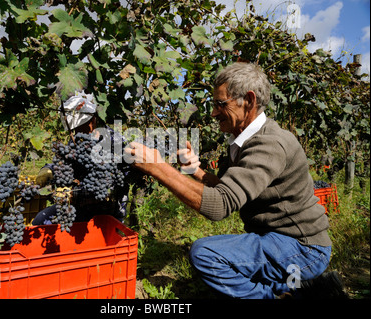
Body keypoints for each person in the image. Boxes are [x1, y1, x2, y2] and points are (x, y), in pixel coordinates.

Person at [124, 62, 347, 299]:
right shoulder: (244, 139)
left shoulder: (269, 144)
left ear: (248, 101)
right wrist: (197, 173)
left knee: (205, 254)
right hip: (280, 241)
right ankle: (303, 290)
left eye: (221, 104)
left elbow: (220, 205)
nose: (213, 112)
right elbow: (233, 190)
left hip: (303, 249)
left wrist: (157, 167)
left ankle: (281, 295)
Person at [32, 91, 128, 225]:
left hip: (108, 211)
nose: (77, 133)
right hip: (80, 209)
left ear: (93, 120)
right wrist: (49, 169)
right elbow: (66, 163)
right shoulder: (77, 141)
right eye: (75, 129)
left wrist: (73, 193)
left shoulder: (113, 141)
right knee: (41, 220)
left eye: (81, 127)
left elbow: (114, 183)